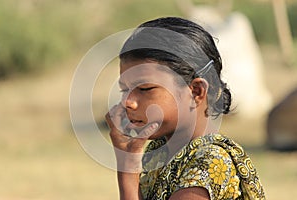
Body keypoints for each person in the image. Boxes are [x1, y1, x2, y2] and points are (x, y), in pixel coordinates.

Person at [105, 17, 265, 200]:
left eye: (145, 89)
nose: (128, 102)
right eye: (124, 90)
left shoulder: (210, 162)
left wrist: (128, 168)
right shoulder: (158, 153)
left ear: (196, 91)